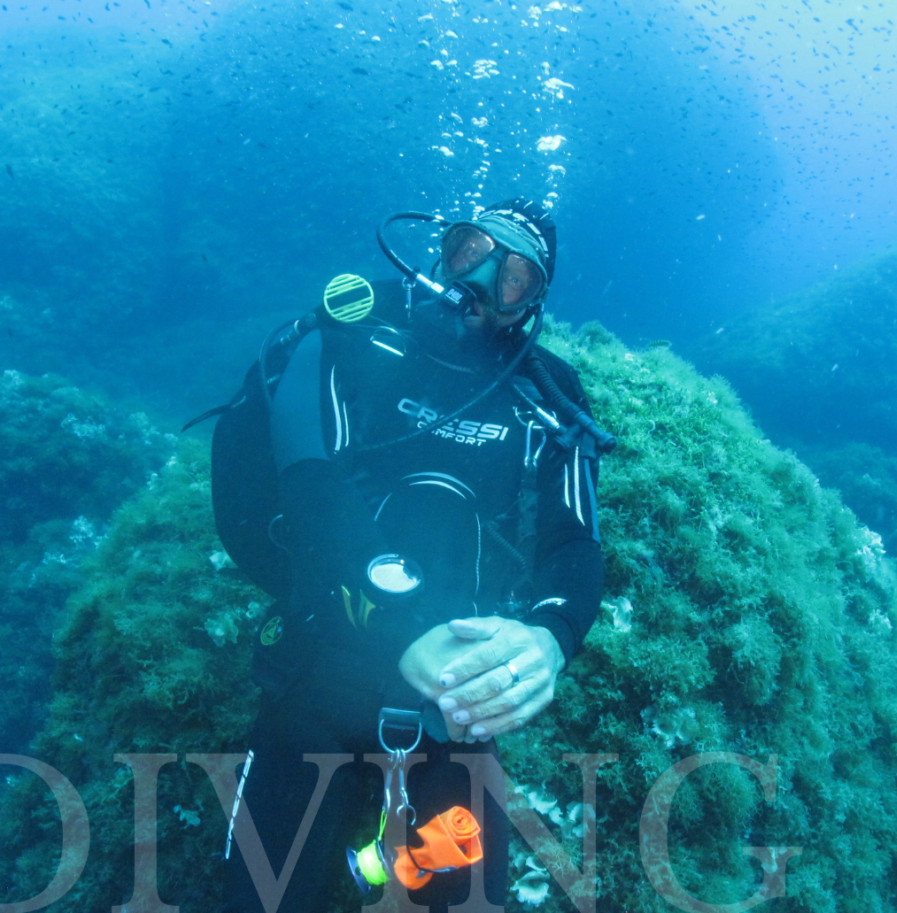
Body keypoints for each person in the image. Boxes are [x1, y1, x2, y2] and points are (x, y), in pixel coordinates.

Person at [216, 197, 606, 912]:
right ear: (439, 251)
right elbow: (310, 480)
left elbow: (573, 541)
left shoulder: (546, 397)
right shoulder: (348, 335)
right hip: (321, 661)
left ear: (531, 304)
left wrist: (551, 638)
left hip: (454, 699)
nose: (481, 280)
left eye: (514, 277)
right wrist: (405, 627)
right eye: (470, 251)